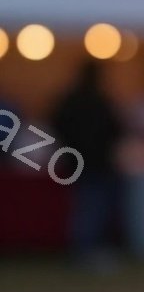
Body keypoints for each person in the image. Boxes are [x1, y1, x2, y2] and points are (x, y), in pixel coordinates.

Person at [51, 61, 125, 270]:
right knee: (94, 207)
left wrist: (68, 147)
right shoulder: (102, 100)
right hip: (98, 162)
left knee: (84, 206)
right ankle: (85, 252)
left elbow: (56, 122)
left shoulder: (70, 99)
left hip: (75, 160)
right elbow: (117, 128)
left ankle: (83, 250)